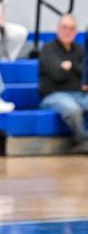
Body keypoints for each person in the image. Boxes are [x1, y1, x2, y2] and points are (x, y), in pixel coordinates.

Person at [38, 16, 88, 153]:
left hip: (80, 94)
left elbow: (85, 71)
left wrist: (69, 66)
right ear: (58, 29)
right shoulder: (48, 49)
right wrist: (76, 68)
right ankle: (83, 141)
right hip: (54, 95)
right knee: (72, 109)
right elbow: (57, 74)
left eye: (71, 28)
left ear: (76, 31)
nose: (67, 31)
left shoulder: (80, 49)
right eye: (64, 27)